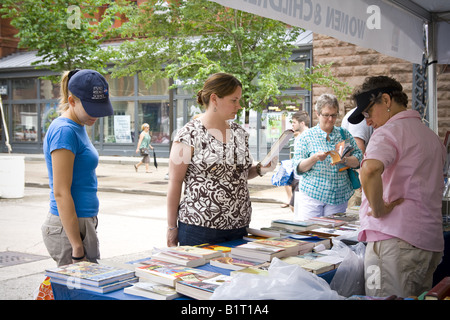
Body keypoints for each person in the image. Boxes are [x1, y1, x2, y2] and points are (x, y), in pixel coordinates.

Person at [348, 75, 446, 298]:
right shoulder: (431, 137)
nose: (368, 121)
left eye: (368, 112)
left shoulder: (388, 132)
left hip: (393, 241)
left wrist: (379, 208)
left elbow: (370, 169)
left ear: (386, 100)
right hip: (427, 242)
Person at [166, 73, 276, 247]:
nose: (239, 106)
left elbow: (241, 174)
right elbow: (175, 181)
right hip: (199, 228)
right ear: (214, 99)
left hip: (238, 226)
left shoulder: (239, 133)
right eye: (234, 100)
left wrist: (262, 168)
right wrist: (172, 227)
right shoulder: (189, 134)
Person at [41, 69, 114, 266]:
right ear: (72, 101)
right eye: (92, 108)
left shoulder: (77, 126)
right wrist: (77, 246)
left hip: (80, 223)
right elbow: (61, 192)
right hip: (70, 229)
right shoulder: (64, 131)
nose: (97, 115)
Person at [291, 94, 363, 220]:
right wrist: (314, 159)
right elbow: (298, 168)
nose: (330, 119)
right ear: (317, 113)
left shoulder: (343, 134)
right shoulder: (306, 136)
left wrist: (345, 160)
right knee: (310, 233)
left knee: (333, 236)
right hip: (312, 195)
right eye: (326, 115)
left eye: (334, 115)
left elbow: (359, 159)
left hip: (339, 196)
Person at [341, 107, 373, 207]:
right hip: (357, 181)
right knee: (357, 215)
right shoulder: (360, 119)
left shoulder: (357, 115)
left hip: (358, 178)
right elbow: (358, 152)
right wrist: (363, 179)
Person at [287, 111, 310, 212]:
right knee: (296, 207)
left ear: (302, 123)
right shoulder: (297, 137)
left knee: (294, 206)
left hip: (303, 178)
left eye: (294, 122)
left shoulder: (308, 136)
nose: (292, 124)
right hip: (295, 176)